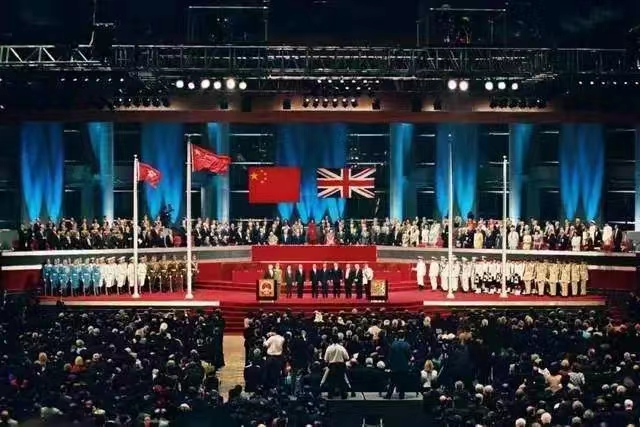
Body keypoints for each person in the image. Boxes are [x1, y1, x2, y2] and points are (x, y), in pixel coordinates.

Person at [385, 330, 411, 400]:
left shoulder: (393, 344)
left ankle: (388, 395)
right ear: (404, 337)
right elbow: (409, 357)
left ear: (397, 336)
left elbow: (390, 356)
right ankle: (401, 396)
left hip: (394, 367)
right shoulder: (407, 345)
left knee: (392, 382)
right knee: (403, 382)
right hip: (404, 367)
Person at [323, 335, 350, 399]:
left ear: (331, 340)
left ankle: (330, 395)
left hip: (332, 366)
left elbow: (326, 359)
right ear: (338, 340)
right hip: (340, 365)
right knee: (341, 380)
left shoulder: (329, 348)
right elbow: (347, 357)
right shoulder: (341, 348)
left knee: (331, 381)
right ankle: (343, 395)